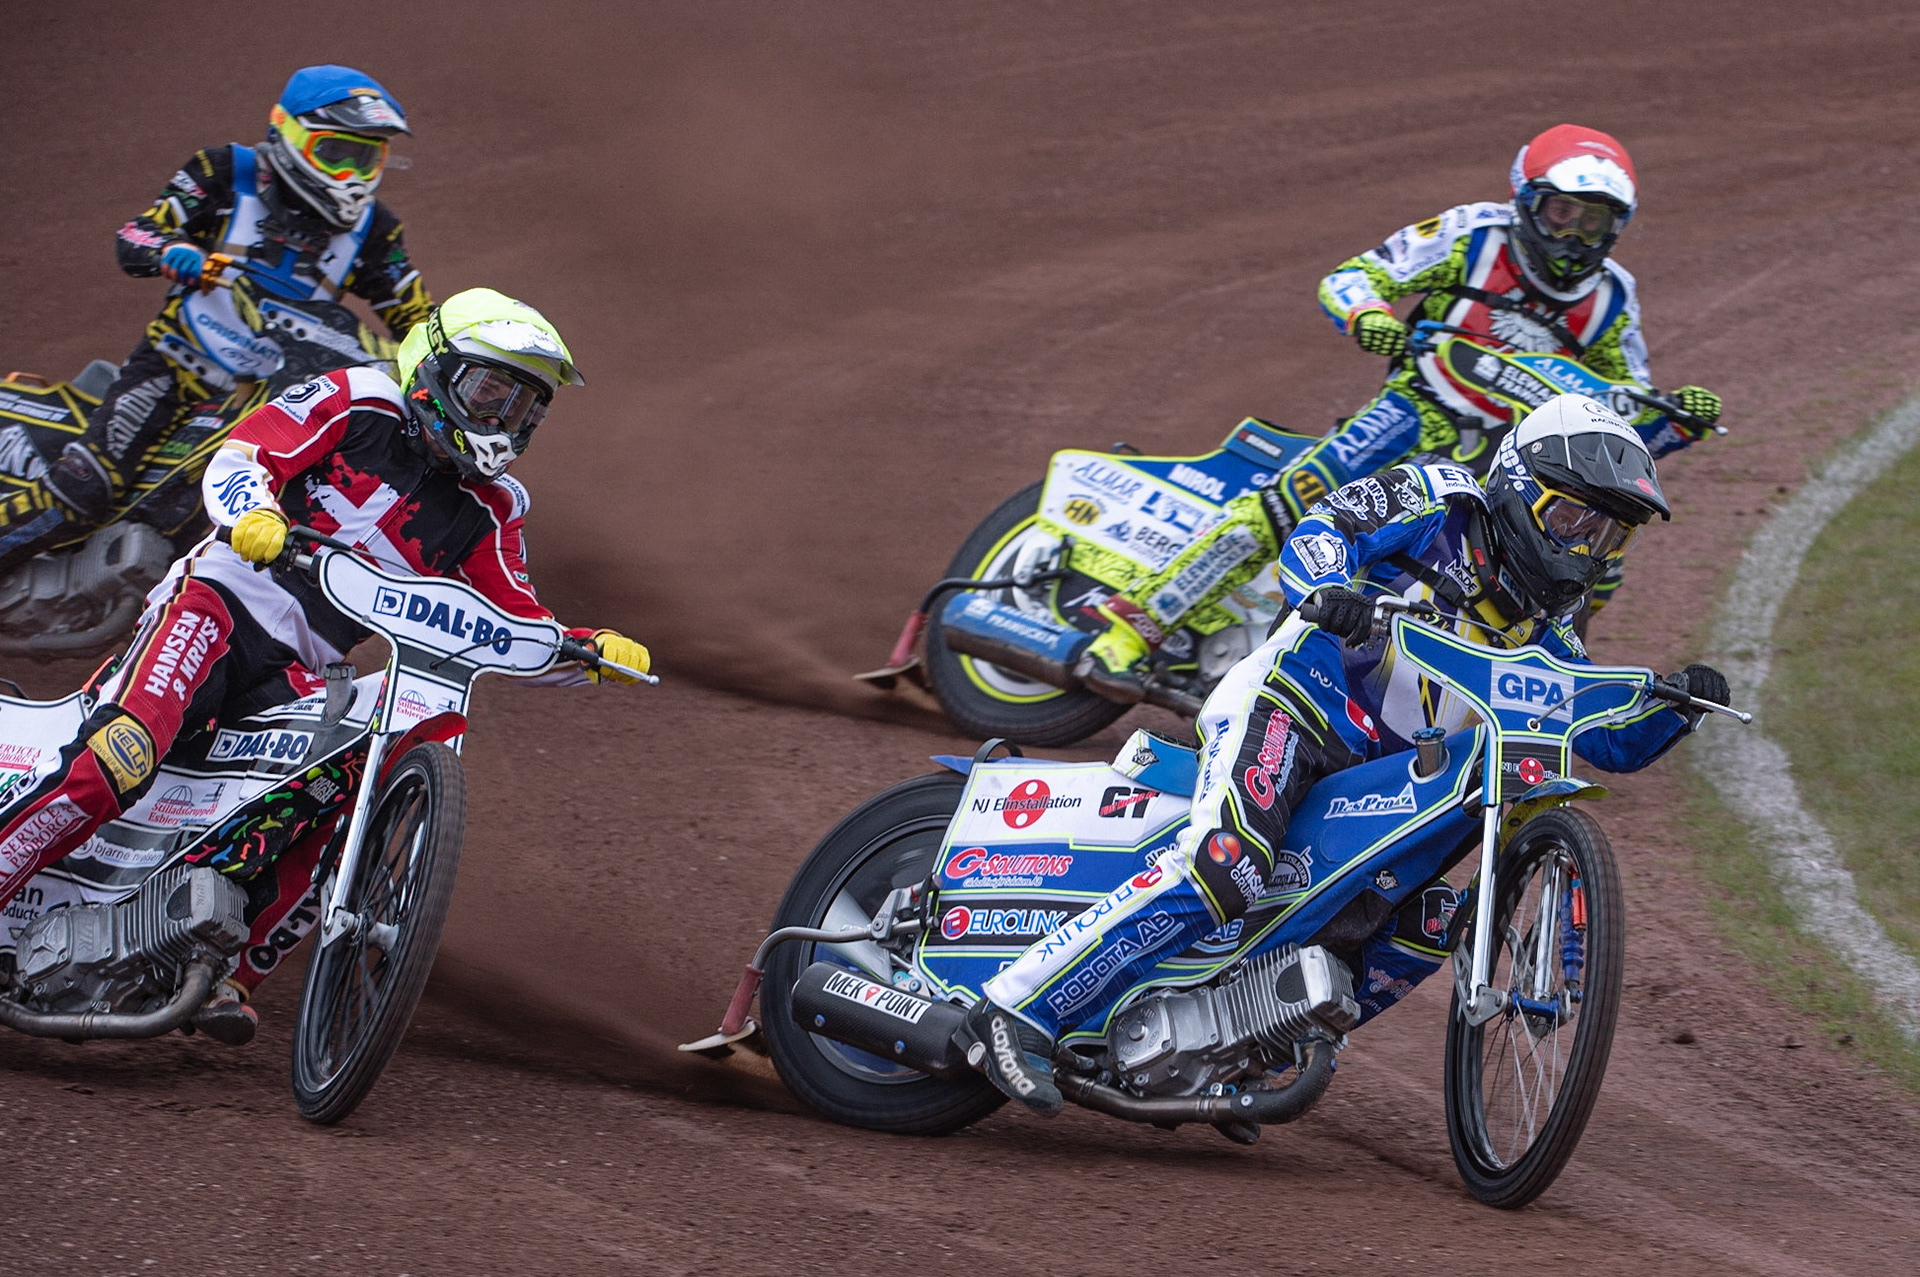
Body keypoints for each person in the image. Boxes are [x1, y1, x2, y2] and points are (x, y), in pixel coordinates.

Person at [958, 393, 1730, 1114]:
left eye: (1608, 534)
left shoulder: (1552, 630)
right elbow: (1327, 525)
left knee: (1417, 927)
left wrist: (1676, 705)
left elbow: (1605, 739)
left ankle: (1233, 1045)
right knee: (1225, 866)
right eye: (1571, 519)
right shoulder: (1440, 498)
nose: (1584, 547)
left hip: (1386, 778)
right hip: (1297, 706)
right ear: (1519, 487)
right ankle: (1015, 1007)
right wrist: (1330, 585)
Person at [0, 289, 650, 1044]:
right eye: (489, 392)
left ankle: (226, 973)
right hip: (216, 605)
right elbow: (247, 451)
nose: (502, 420)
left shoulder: (496, 508)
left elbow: (512, 624)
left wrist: (586, 650)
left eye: (522, 406)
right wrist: (253, 512)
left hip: (302, 666)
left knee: (341, 788)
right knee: (122, 751)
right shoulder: (359, 398)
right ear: (436, 369)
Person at [1075, 124, 1722, 702]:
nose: (1576, 236)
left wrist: (1675, 421)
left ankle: (1510, 689)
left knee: (1587, 560)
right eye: (1563, 213)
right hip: (1415, 408)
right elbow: (1354, 278)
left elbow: (1617, 418)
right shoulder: (1473, 234)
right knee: (1294, 499)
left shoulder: (1613, 296)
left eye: (1594, 223)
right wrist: (1369, 316)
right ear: (1527, 202)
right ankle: (1131, 628)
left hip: (1508, 454)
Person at [0, 65, 432, 568]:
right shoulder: (225, 171)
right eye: (336, 153)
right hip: (174, 362)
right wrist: (170, 250)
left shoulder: (375, 229)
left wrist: (457, 360)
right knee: (86, 488)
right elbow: (137, 234)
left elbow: (417, 319)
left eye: (367, 158)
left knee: (246, 512)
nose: (351, 176)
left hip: (267, 391)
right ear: (288, 133)